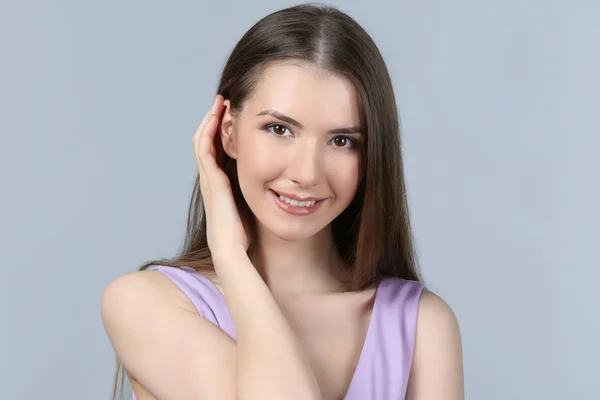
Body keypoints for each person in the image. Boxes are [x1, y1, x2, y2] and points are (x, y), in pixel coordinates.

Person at [101, 3, 464, 400]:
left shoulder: (420, 326)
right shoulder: (143, 303)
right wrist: (230, 258)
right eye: (279, 129)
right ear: (227, 133)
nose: (307, 173)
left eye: (341, 141)